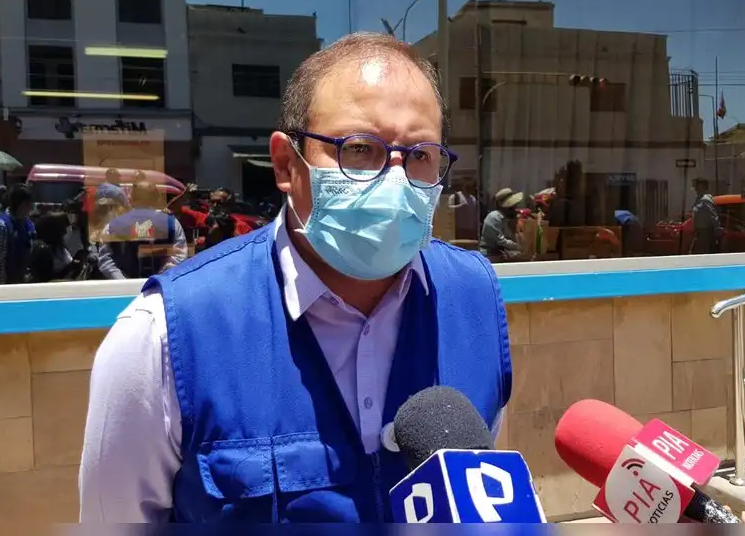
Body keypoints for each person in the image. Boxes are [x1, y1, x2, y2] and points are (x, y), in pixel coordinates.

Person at [79, 33, 511, 524]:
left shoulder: (473, 300)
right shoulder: (165, 334)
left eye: (419, 155)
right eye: (360, 148)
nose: (394, 180)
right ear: (287, 164)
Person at [96, 180, 187, 279]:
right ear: (157, 199)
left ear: (131, 199)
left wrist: (123, 281)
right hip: (160, 287)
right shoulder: (171, 223)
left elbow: (106, 260)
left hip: (126, 289)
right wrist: (160, 278)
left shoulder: (113, 225)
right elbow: (180, 255)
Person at [0, 184, 35, 285]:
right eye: (30, 204)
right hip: (7, 285)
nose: (32, 208)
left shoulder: (26, 223)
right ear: (22, 204)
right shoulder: (1, 226)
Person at [479, 187, 523, 260]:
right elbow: (501, 240)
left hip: (502, 251)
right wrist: (518, 247)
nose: (514, 208)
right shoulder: (494, 217)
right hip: (490, 253)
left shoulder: (507, 217)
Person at [690, 178, 722, 254]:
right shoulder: (699, 199)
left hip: (705, 233)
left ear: (701, 186)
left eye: (696, 186)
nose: (694, 189)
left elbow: (713, 216)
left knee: (702, 254)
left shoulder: (705, 200)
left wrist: (717, 230)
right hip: (699, 232)